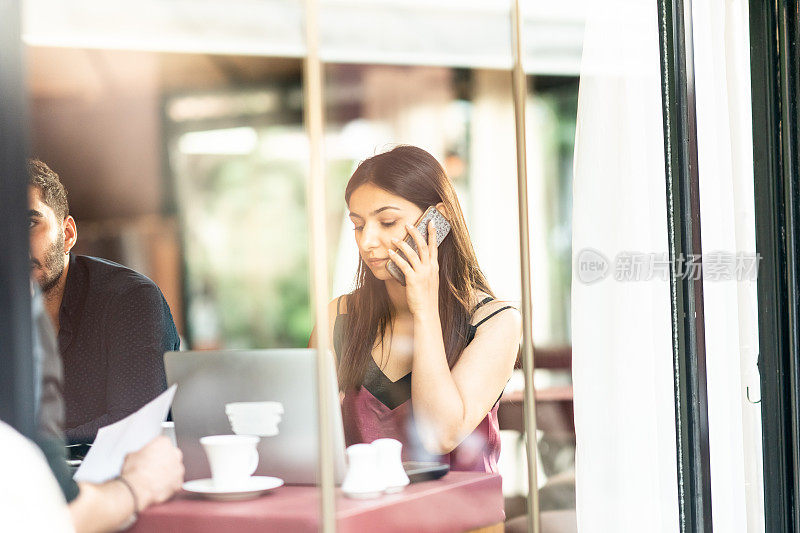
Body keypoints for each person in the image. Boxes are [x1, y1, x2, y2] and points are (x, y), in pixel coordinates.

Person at [313, 145, 522, 473]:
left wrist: (424, 309)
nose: (367, 241)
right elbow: (304, 436)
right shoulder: (338, 318)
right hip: (365, 516)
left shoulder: (495, 322)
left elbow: (439, 435)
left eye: (387, 221)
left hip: (461, 521)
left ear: (438, 219)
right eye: (358, 225)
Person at [28, 159, 180, 443]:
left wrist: (26, 445)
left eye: (29, 222)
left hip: (122, 477)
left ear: (68, 235)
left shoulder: (129, 299)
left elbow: (134, 424)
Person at [26, 284, 185, 533]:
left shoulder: (128, 297)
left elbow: (134, 413)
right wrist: (138, 485)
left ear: (69, 241)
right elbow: (64, 517)